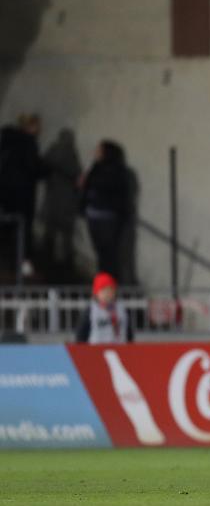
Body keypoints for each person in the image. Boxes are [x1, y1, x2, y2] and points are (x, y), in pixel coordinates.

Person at [0, 113, 46, 278]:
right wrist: (46, 169)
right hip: (23, 193)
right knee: (23, 228)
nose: (40, 130)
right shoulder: (28, 143)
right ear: (30, 127)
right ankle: (20, 263)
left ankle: (10, 262)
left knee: (9, 226)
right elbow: (33, 167)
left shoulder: (7, 140)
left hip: (6, 192)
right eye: (37, 126)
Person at [80, 140, 130, 278]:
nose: (96, 152)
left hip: (108, 219)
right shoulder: (97, 167)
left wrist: (89, 182)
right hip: (94, 216)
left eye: (99, 150)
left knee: (109, 254)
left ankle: (109, 286)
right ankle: (103, 284)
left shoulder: (115, 170)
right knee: (101, 253)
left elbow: (107, 187)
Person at [38, 128, 82, 273]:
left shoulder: (52, 150)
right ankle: (67, 263)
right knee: (66, 233)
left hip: (52, 195)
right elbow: (76, 173)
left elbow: (43, 167)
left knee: (50, 230)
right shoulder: (71, 153)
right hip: (66, 198)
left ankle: (46, 257)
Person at [75, 272, 133, 344]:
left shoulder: (121, 309)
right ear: (96, 293)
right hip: (96, 350)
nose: (108, 294)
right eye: (104, 291)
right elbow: (81, 335)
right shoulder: (90, 311)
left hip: (120, 349)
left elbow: (128, 332)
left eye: (111, 290)